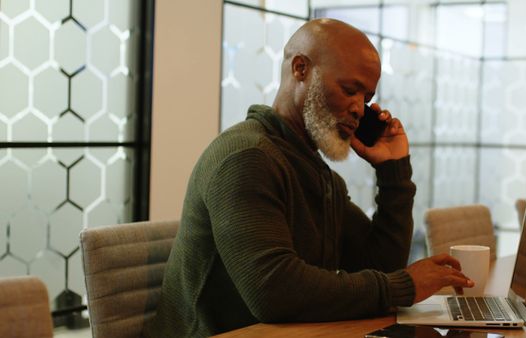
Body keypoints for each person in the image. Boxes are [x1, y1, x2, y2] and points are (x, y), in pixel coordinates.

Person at [143, 18, 473, 337]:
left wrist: (393, 172)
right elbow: (274, 291)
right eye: (349, 90)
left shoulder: (317, 173)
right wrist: (402, 286)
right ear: (300, 69)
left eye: (366, 99)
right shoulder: (247, 158)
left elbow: (382, 264)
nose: (359, 109)